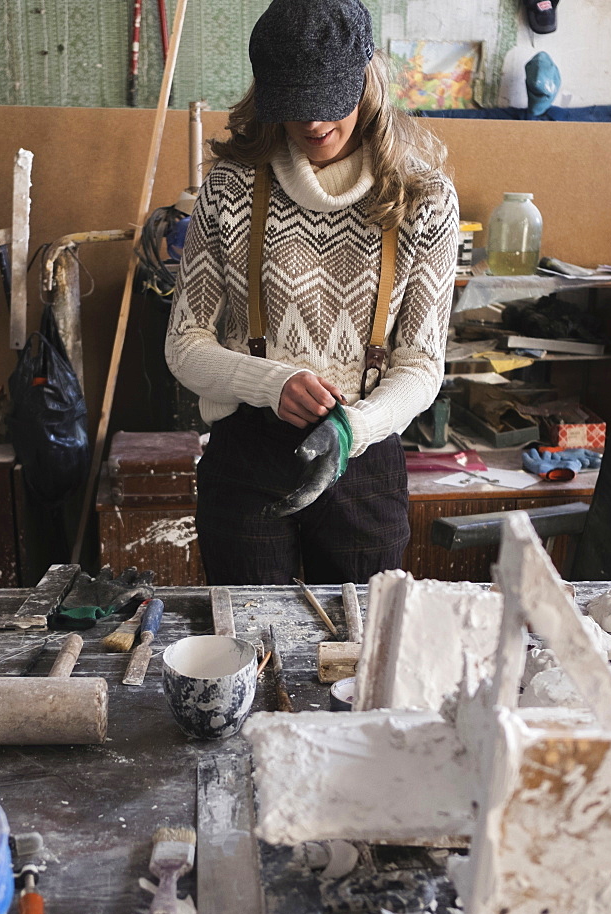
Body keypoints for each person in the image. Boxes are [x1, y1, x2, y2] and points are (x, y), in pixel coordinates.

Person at [165, 0, 459, 585]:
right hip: (247, 457)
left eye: (329, 101)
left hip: (365, 458)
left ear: (365, 79)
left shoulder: (425, 199)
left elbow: (422, 366)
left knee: (359, 650)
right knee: (250, 645)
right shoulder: (229, 189)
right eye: (293, 105)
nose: (312, 123)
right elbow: (183, 346)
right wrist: (273, 383)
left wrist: (356, 425)